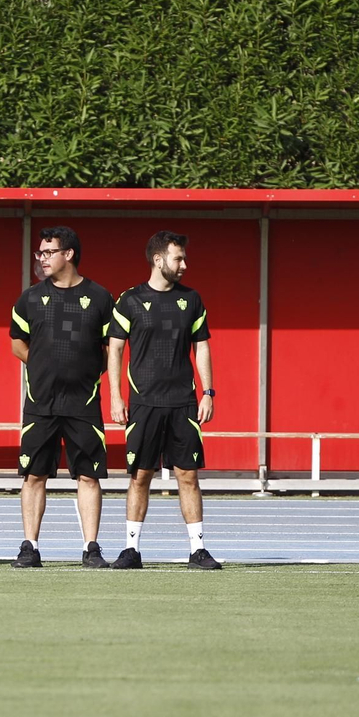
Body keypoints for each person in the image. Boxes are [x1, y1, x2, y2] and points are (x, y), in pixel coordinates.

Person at [106, 230, 221, 570]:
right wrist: (115, 396)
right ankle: (131, 550)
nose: (184, 264)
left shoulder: (192, 300)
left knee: (188, 475)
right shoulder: (129, 300)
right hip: (143, 403)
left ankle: (197, 550)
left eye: (184, 258)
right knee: (140, 476)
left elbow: (201, 346)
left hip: (183, 402)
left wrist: (208, 391)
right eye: (178, 258)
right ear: (158, 260)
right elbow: (114, 349)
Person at [8, 226, 116, 569]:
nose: (42, 259)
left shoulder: (100, 297)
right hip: (40, 402)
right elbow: (17, 344)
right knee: (34, 475)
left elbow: (107, 351)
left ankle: (91, 547)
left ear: (68, 254)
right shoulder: (29, 298)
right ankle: (29, 546)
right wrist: (42, 366)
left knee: (88, 475)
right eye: (40, 253)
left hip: (83, 402)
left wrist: (84, 372)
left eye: (47, 252)